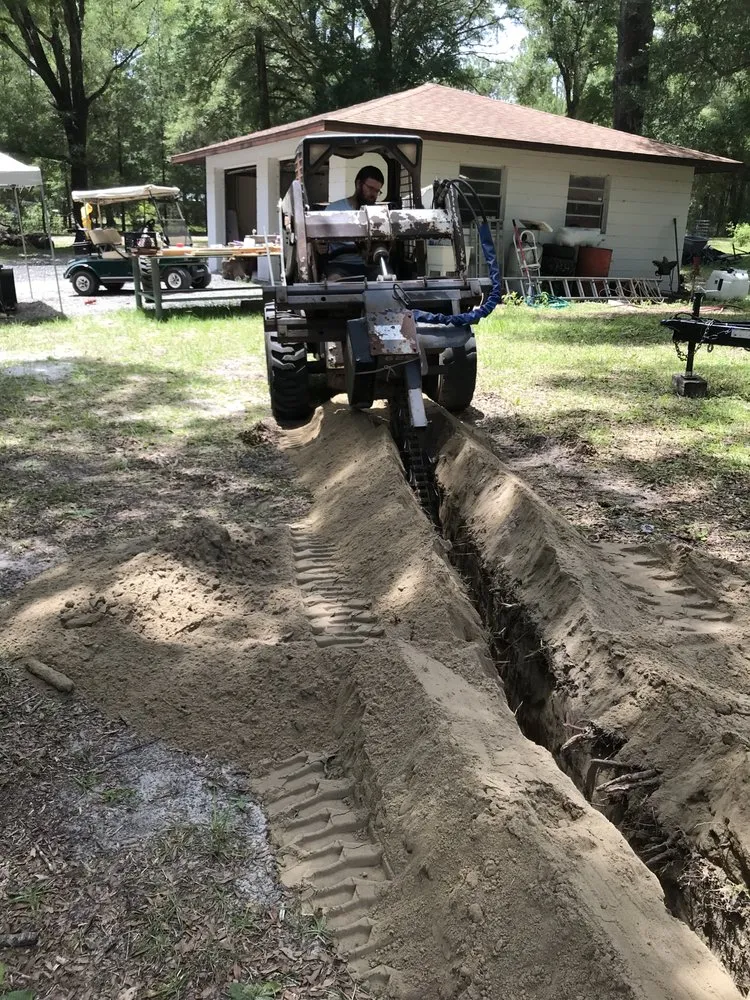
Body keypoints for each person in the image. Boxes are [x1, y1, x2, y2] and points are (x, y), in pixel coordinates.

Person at [324, 165, 384, 279]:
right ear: (358, 184)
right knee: (334, 284)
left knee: (388, 281)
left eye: (377, 191)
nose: (374, 194)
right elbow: (321, 246)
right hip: (339, 265)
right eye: (370, 188)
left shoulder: (379, 214)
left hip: (371, 265)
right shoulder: (333, 210)